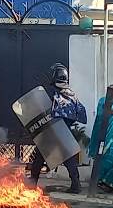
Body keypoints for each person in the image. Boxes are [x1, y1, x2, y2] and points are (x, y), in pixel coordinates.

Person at [28, 64, 87, 193]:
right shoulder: (71, 94)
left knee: (39, 157)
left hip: (50, 130)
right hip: (64, 130)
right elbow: (78, 113)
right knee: (69, 158)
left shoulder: (52, 92)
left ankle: (32, 184)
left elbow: (42, 110)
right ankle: (76, 185)